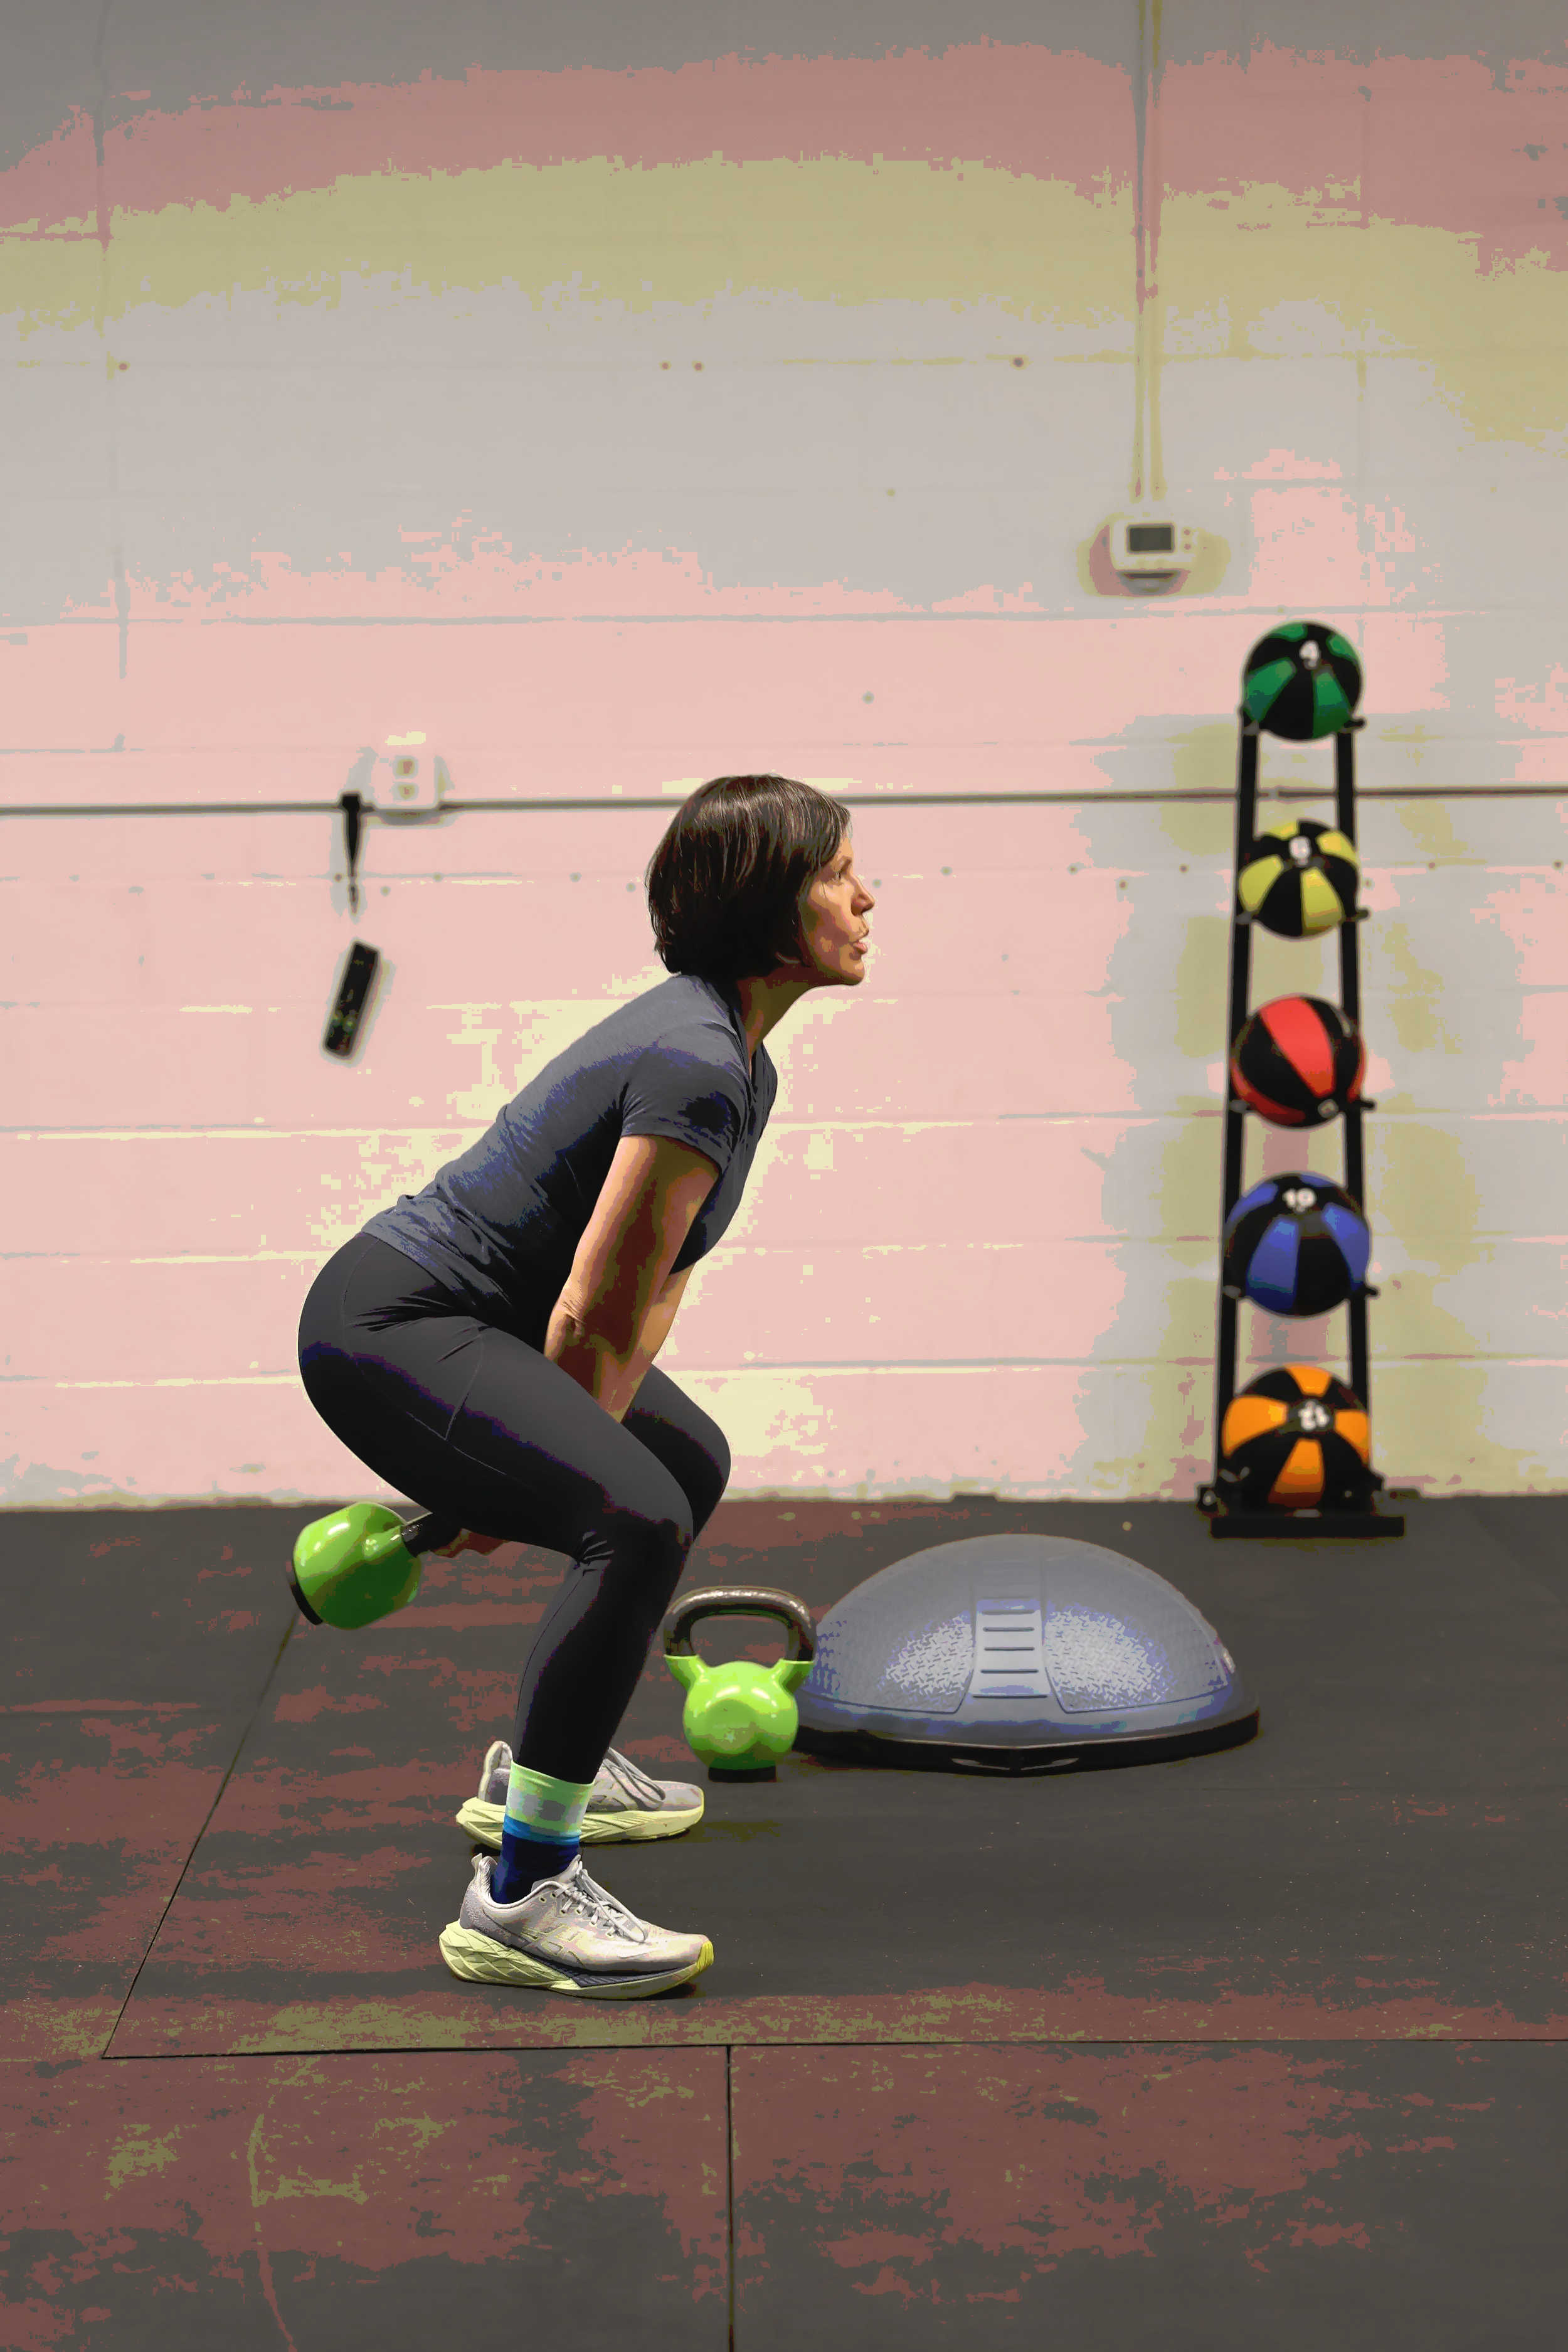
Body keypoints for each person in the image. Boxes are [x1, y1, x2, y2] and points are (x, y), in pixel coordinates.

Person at [296, 774, 876, 1999]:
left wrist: (539, 1457)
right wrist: (527, 1474)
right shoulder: (696, 1058)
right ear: (770, 906)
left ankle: (546, 1766)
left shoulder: (741, 1060)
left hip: (483, 1323)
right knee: (635, 1513)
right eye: (836, 875)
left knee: (685, 1461)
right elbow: (588, 1313)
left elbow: (652, 1284)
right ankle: (522, 1892)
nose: (865, 897)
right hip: (390, 1324)